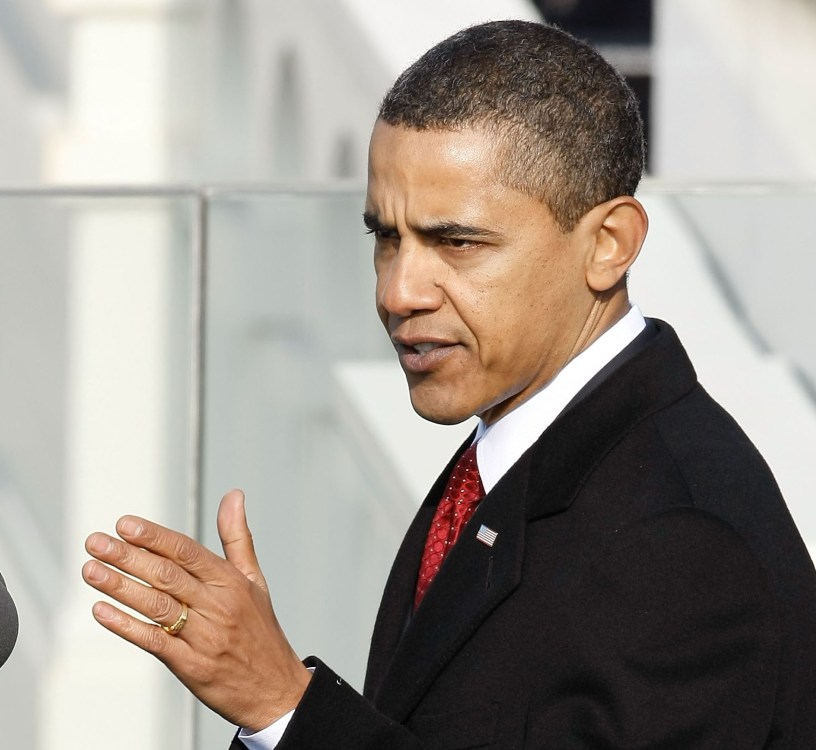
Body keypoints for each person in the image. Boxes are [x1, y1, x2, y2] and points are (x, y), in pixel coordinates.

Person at [81, 19, 816, 749]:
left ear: (608, 245)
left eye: (457, 243)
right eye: (386, 237)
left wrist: (285, 706)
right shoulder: (512, 464)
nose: (400, 291)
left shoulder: (682, 545)